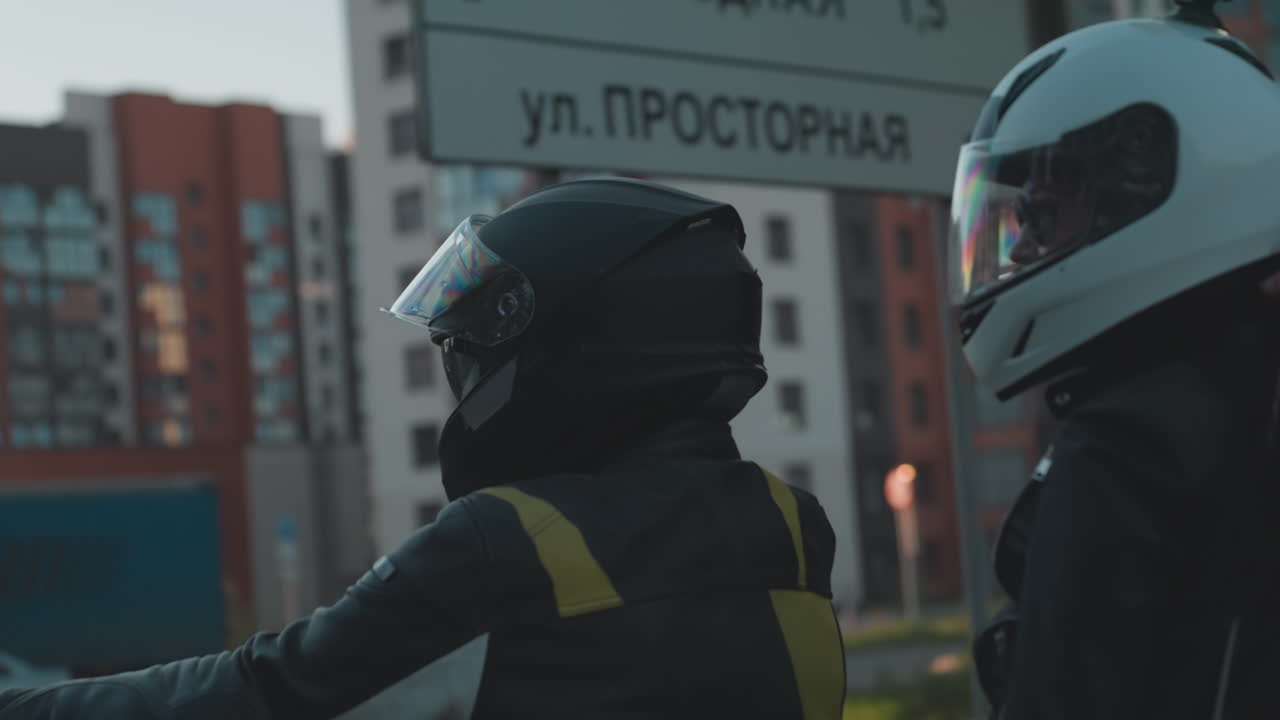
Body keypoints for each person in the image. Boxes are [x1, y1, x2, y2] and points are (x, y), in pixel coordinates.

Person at [0, 178, 846, 719]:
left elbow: (266, 691)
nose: (465, 377)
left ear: (567, 345)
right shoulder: (789, 525)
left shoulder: (507, 543)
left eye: (474, 348)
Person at [952, 2, 1280, 717]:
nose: (1023, 253)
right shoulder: (1251, 400)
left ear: (1143, 192)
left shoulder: (1130, 446)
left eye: (1041, 213)